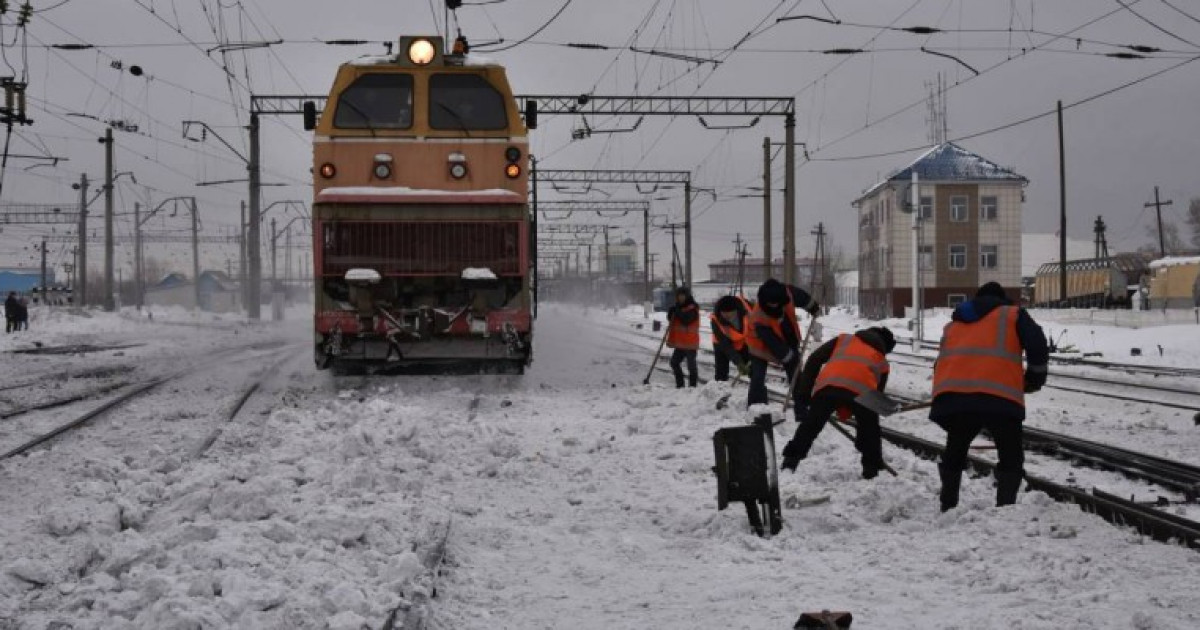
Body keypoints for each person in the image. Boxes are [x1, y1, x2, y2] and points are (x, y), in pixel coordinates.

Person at [931, 281, 1049, 511]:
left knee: (955, 449)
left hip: (957, 397)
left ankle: (947, 504)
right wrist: (1035, 378)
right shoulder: (1013, 315)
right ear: (1001, 299)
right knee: (1010, 453)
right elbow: (1038, 344)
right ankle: (1005, 508)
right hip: (1000, 397)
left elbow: (942, 361)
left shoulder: (954, 322)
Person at [780, 326, 896, 478]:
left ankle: (790, 463)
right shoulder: (882, 362)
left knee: (810, 426)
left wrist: (804, 393)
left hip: (828, 388)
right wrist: (865, 445)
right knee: (870, 428)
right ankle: (871, 471)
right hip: (861, 394)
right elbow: (874, 403)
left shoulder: (844, 340)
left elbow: (815, 358)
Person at [744, 279, 820, 416]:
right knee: (758, 376)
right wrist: (788, 356)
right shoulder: (759, 317)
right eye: (770, 304)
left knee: (796, 375)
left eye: (776, 303)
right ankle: (755, 409)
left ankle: (802, 409)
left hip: (786, 336)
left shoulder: (787, 293)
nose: (774, 305)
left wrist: (813, 307)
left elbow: (802, 298)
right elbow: (773, 343)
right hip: (759, 345)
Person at [710, 295, 751, 382]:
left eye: (729, 313)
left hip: (743, 342)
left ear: (735, 310)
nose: (726, 316)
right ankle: (719, 388)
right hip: (721, 345)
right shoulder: (715, 319)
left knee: (753, 368)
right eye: (723, 313)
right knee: (721, 372)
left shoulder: (746, 311)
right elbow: (726, 346)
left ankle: (756, 389)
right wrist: (738, 362)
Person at [666, 287, 700, 388]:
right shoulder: (678, 307)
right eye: (678, 296)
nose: (680, 298)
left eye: (682, 295)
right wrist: (671, 313)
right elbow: (672, 320)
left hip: (690, 343)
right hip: (680, 343)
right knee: (674, 363)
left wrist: (677, 311)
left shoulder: (693, 308)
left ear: (687, 296)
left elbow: (686, 320)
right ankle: (680, 385)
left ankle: (693, 387)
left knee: (691, 367)